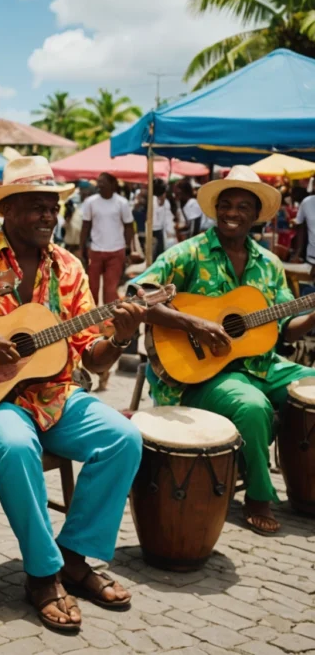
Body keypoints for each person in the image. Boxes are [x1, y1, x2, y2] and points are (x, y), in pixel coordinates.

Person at [0, 156, 144, 633]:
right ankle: (43, 574)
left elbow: (93, 357)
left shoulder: (68, 268)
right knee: (17, 445)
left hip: (55, 394)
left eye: (53, 207)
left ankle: (72, 556)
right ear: (7, 208)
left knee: (124, 437)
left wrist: (123, 336)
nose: (49, 216)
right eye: (36, 207)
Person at [135, 165, 315, 536]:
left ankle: (305, 485)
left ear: (256, 215)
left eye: (242, 206)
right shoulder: (189, 253)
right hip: (203, 372)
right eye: (226, 204)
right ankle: (259, 497)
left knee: (310, 386)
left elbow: (286, 329)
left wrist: (312, 316)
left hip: (262, 363)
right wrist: (195, 324)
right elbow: (138, 296)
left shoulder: (269, 264)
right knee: (251, 405)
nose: (233, 213)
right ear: (215, 209)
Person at [79, 172, 133, 305]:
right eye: (99, 182)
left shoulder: (122, 203)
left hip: (116, 251)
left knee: (110, 289)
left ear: (112, 185)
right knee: (92, 288)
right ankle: (91, 320)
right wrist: (82, 250)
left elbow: (129, 226)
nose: (100, 185)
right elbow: (85, 226)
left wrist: (128, 248)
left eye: (103, 182)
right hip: (95, 250)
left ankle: (109, 321)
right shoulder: (90, 202)